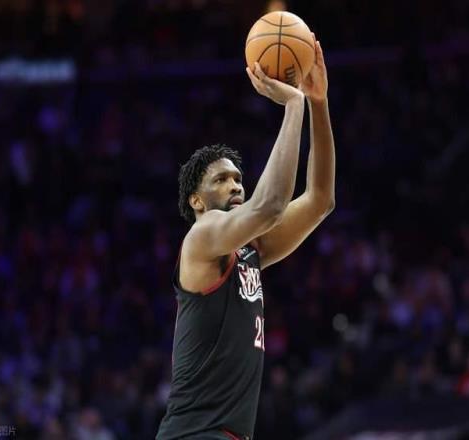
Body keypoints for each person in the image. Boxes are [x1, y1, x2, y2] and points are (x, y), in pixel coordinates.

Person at [156, 36, 335, 440]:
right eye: (221, 180)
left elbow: (320, 200)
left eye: (238, 178)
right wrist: (294, 105)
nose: (236, 185)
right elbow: (269, 205)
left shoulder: (251, 250)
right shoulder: (201, 238)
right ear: (196, 200)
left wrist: (318, 102)